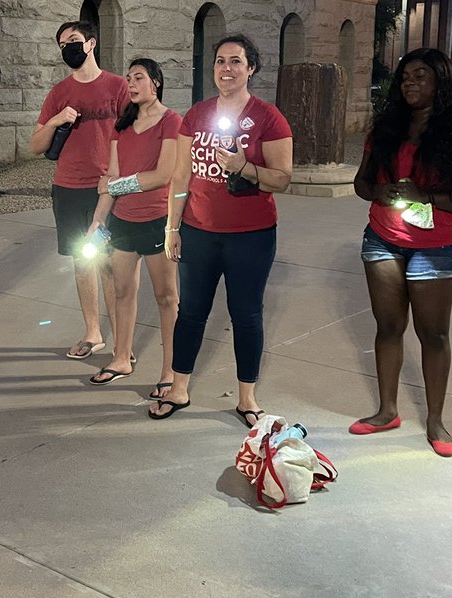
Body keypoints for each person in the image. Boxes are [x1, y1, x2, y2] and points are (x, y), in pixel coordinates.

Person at [350, 47, 452, 458]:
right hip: (383, 240)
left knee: (434, 334)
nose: (410, 82)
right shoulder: (386, 130)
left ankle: (435, 420)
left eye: (421, 75)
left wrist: (423, 195)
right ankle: (386, 411)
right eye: (406, 76)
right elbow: (361, 184)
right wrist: (383, 191)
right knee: (388, 327)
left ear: (440, 81)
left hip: (436, 248)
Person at [151, 35, 293, 424]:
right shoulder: (196, 115)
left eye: (235, 61)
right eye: (219, 61)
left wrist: (243, 167)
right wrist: (171, 227)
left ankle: (247, 398)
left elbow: (282, 179)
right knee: (192, 311)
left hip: (252, 234)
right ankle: (179, 389)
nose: (226, 69)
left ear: (251, 68)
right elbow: (181, 174)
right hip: (198, 231)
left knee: (246, 314)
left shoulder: (268, 117)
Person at [30, 21, 130, 360]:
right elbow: (36, 145)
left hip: (107, 190)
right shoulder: (59, 93)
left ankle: (122, 341)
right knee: (82, 261)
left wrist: (123, 180)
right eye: (61, 44)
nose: (67, 48)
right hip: (69, 188)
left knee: (111, 265)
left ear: (91, 43)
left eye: (73, 40)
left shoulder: (118, 87)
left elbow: (135, 137)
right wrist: (57, 120)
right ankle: (93, 333)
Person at [86, 58, 181, 392]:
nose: (131, 84)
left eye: (138, 77)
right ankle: (121, 358)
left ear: (155, 81)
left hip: (157, 220)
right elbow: (111, 176)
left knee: (166, 297)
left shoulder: (172, 122)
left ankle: (171, 371)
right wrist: (98, 220)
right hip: (123, 222)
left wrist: (115, 187)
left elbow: (163, 175)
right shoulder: (122, 125)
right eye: (128, 79)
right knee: (123, 291)